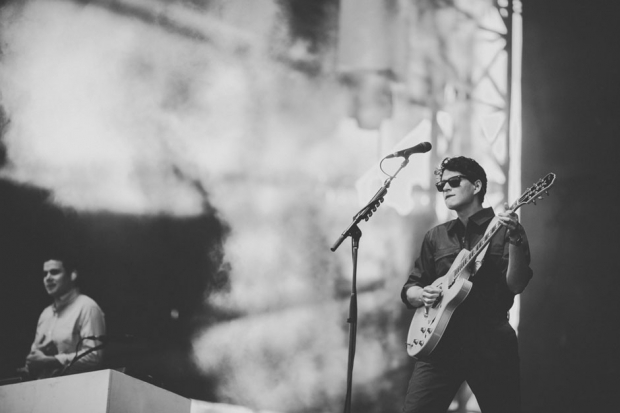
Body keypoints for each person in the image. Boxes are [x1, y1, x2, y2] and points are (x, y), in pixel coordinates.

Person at [401, 156, 533, 413]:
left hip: (490, 342)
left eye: (453, 181)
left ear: (477, 186)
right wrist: (423, 294)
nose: (445, 188)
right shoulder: (435, 236)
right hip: (439, 345)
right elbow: (411, 288)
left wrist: (515, 238)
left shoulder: (506, 229)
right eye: (442, 186)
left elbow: (516, 285)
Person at [22, 256, 106, 379]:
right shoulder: (45, 314)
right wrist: (31, 363)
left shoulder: (87, 307)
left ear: (72, 275)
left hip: (76, 389)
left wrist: (51, 361)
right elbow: (35, 356)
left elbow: (94, 357)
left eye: (54, 272)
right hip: (42, 389)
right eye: (45, 274)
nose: (48, 278)